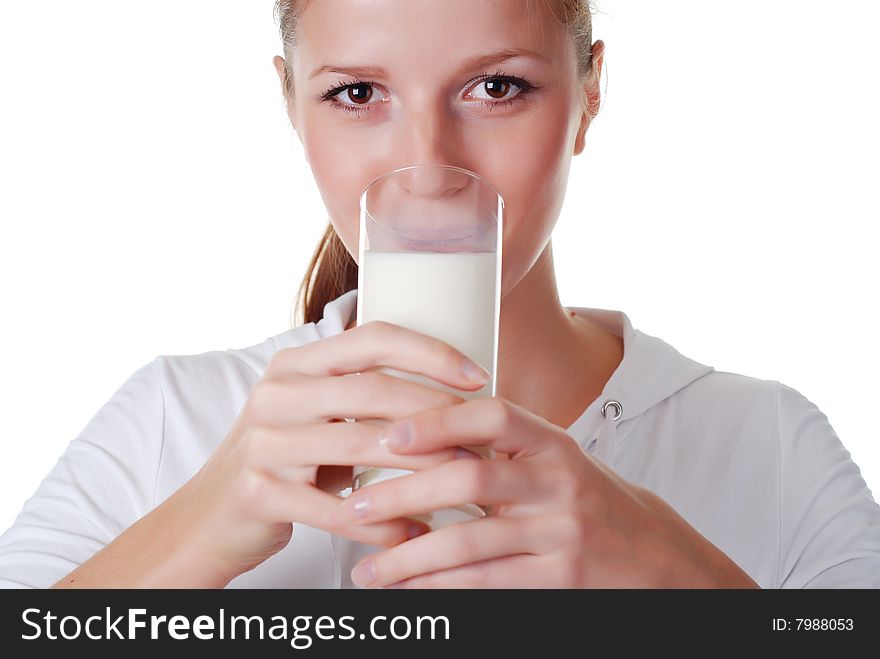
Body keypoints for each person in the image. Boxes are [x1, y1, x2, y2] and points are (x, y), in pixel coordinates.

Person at [1, 0, 879, 590]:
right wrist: (192, 534)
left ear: (590, 94)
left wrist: (693, 592)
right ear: (289, 105)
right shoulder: (176, 422)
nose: (427, 169)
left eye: (496, 88)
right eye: (356, 93)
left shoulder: (767, 443)